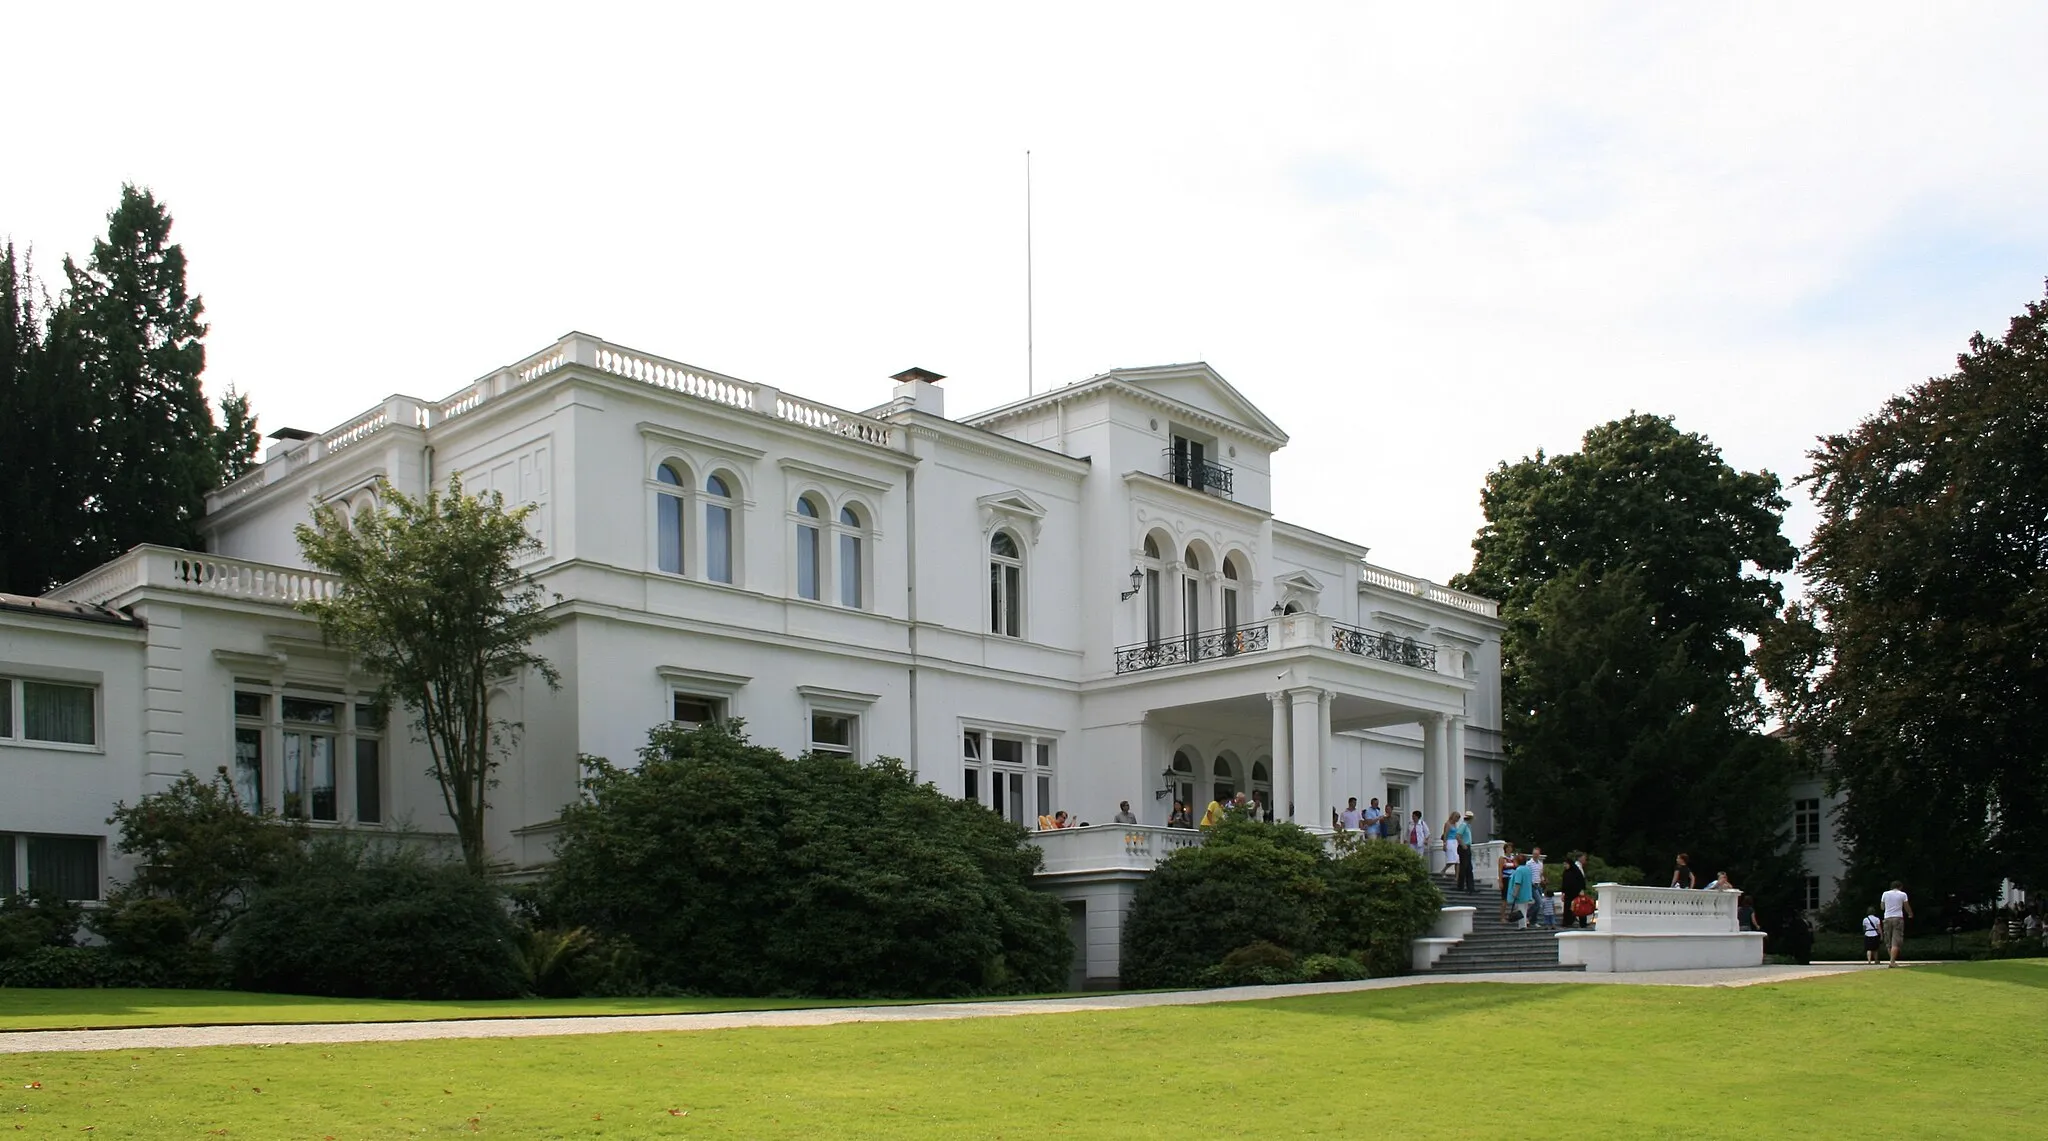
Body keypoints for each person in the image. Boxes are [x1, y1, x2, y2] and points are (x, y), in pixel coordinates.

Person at [1880, 881, 1913, 967]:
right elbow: (1906, 906)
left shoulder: (1885, 894)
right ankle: (1892, 961)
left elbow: (1882, 907)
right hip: (1898, 918)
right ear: (1900, 887)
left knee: (1888, 941)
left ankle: (1892, 961)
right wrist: (1910, 913)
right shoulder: (1903, 894)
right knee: (1896, 941)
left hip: (1887, 917)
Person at [1507, 852, 1539, 928]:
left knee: (1521, 911)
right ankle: (1524, 925)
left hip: (1520, 894)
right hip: (1527, 893)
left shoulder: (1519, 870)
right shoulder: (1527, 869)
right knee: (1524, 910)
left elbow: (1518, 883)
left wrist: (1515, 893)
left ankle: (1522, 926)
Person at [1561, 852, 1590, 929]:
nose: (1565, 866)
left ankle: (1583, 923)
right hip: (1568, 893)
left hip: (1576, 892)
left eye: (1566, 864)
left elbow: (1581, 881)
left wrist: (1582, 890)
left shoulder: (1576, 871)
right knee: (1567, 908)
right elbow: (1564, 883)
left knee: (1579, 907)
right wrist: (1563, 893)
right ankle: (1567, 922)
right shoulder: (1565, 872)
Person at [1454, 812, 1477, 891]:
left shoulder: (1467, 826)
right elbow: (1458, 835)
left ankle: (1470, 887)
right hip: (1464, 848)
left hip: (1467, 847)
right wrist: (1463, 845)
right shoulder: (1463, 825)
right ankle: (1461, 886)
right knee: (1464, 867)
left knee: (1468, 868)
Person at [1497, 842, 1519, 923]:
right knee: (1504, 898)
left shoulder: (1514, 858)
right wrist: (1500, 881)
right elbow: (1500, 870)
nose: (1509, 849)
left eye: (1510, 848)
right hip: (1506, 879)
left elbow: (1516, 867)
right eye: (1508, 848)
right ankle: (1502, 916)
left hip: (1513, 878)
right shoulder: (1502, 858)